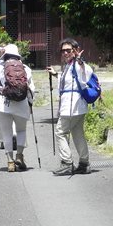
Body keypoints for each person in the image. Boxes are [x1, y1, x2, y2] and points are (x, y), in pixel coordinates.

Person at [46, 38, 94, 176]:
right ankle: (84, 164)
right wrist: (56, 74)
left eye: (68, 50)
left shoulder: (78, 64)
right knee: (77, 133)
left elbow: (85, 73)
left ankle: (67, 163)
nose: (65, 53)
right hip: (77, 107)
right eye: (63, 51)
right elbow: (69, 81)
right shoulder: (69, 65)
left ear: (75, 50)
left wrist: (80, 60)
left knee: (60, 132)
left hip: (71, 106)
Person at [0, 44, 35, 172]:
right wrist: (30, 103)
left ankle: (10, 161)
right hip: (21, 103)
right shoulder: (25, 68)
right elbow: (31, 88)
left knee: (6, 132)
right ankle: (19, 155)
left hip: (3, 103)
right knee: (21, 130)